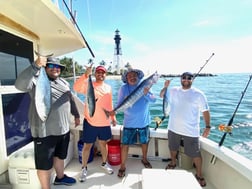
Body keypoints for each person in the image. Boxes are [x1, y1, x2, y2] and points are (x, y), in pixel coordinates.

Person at [15, 56, 80, 189]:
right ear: (44, 68)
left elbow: (70, 98)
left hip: (63, 129)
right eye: (50, 66)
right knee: (44, 165)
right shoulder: (36, 81)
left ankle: (60, 178)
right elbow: (19, 85)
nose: (55, 69)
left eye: (57, 67)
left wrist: (76, 114)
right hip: (45, 133)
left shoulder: (63, 82)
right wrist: (35, 66)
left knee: (60, 156)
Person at [159, 72, 211, 187]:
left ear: (192, 80)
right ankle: (173, 162)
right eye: (184, 78)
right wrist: (165, 86)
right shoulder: (173, 90)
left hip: (191, 131)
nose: (186, 80)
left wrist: (207, 126)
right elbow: (162, 95)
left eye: (189, 78)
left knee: (195, 153)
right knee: (172, 148)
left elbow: (205, 111)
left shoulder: (199, 94)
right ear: (180, 79)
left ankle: (199, 174)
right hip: (173, 128)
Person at [73, 65, 117, 182]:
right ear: (95, 74)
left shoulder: (108, 88)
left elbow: (110, 104)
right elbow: (76, 88)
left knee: (103, 144)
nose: (100, 74)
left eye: (103, 73)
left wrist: (113, 117)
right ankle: (84, 168)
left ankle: (104, 163)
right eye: (98, 72)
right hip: (90, 122)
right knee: (87, 146)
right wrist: (86, 75)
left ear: (105, 75)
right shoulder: (88, 84)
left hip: (104, 123)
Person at [115, 68, 156, 178]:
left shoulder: (145, 86)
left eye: (134, 76)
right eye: (129, 76)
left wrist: (146, 94)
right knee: (124, 145)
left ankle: (144, 159)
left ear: (138, 77)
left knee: (144, 142)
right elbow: (119, 104)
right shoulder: (123, 89)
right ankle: (123, 166)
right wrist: (113, 112)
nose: (132, 78)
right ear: (126, 79)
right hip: (129, 123)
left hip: (144, 122)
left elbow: (154, 100)